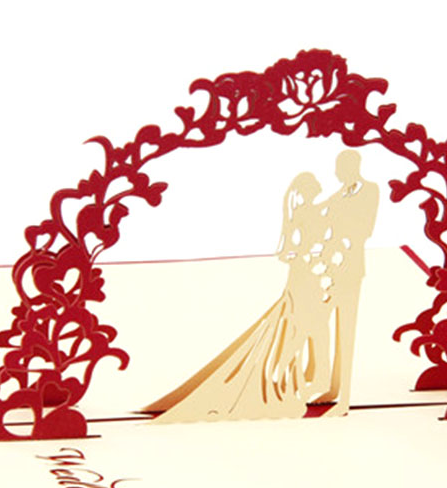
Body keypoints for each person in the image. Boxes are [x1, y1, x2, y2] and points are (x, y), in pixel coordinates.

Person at [143, 172, 335, 422]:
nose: (319, 186)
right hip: (307, 275)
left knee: (306, 328)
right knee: (304, 329)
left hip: (306, 274)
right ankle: (291, 378)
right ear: (307, 189)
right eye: (315, 184)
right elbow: (298, 246)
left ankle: (304, 377)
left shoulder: (305, 213)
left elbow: (290, 248)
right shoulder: (308, 213)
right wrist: (313, 257)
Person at [314, 150, 379, 416]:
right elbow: (320, 215)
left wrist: (339, 237)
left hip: (351, 267)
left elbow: (365, 229)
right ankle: (333, 388)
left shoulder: (370, 190)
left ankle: (345, 398)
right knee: (323, 323)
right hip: (330, 269)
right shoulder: (339, 194)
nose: (337, 173)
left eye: (340, 167)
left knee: (347, 330)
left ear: (353, 166)